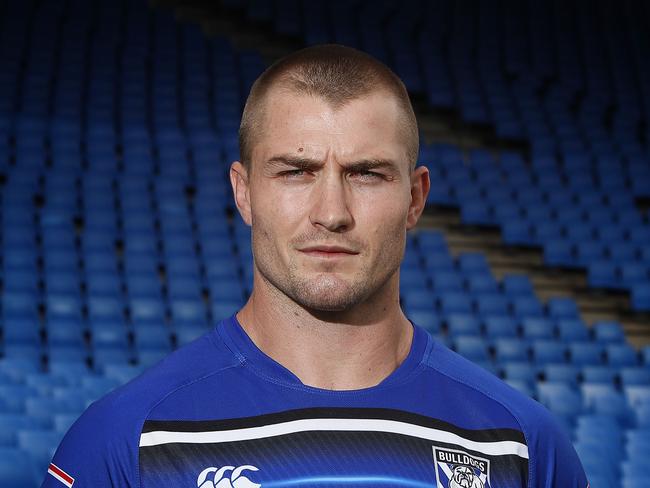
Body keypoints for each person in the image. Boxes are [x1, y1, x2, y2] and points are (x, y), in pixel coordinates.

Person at [43, 45, 587, 488]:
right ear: (244, 192)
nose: (332, 213)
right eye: (296, 172)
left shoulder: (518, 444)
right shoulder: (126, 440)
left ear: (416, 198)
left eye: (367, 173)